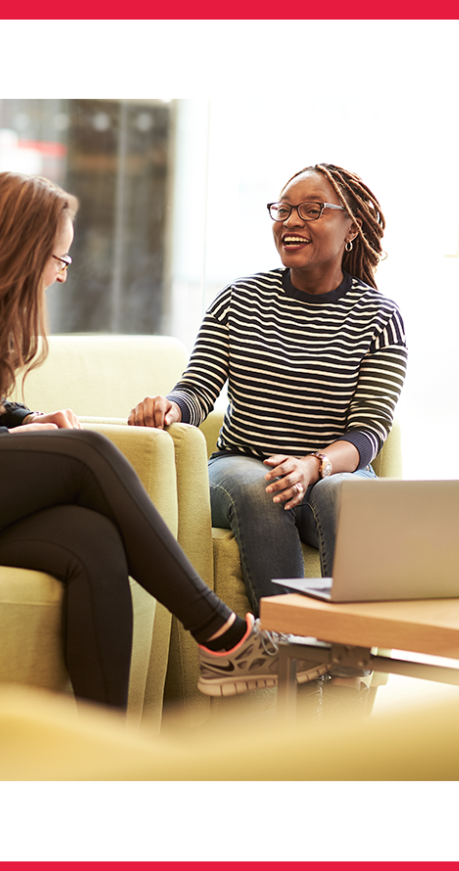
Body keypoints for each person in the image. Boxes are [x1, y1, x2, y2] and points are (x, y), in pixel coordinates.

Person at [0, 172, 330, 710]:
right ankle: (222, 633)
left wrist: (24, 421)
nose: (61, 276)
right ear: (20, 250)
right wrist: (17, 438)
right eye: (59, 260)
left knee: (92, 540)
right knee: (88, 452)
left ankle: (100, 750)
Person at [129, 163, 408, 703]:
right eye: (283, 209)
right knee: (261, 486)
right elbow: (198, 391)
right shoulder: (240, 300)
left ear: (350, 228)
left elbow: (371, 431)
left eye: (311, 210)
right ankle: (289, 655)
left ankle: (350, 667)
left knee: (344, 494)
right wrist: (169, 407)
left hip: (330, 468)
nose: (290, 221)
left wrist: (315, 465)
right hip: (237, 468)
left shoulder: (380, 316)